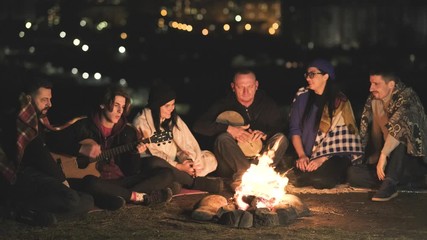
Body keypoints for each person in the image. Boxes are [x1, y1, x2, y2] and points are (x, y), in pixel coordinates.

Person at [46, 85, 174, 208]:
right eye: (116, 105)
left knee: (166, 173)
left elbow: (132, 172)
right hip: (93, 181)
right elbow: (52, 140)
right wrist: (80, 149)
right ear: (103, 104)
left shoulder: (128, 132)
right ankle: (138, 197)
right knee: (90, 182)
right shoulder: (84, 126)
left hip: (118, 182)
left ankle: (116, 196)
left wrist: (134, 153)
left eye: (123, 107)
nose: (120, 111)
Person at [0, 78, 94, 227]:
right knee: (72, 198)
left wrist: (79, 149)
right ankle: (15, 208)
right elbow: (37, 149)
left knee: (88, 200)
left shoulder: (38, 119)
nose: (49, 104)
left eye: (50, 99)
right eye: (44, 99)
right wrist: (62, 180)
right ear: (29, 99)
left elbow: (53, 141)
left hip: (37, 176)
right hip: (20, 176)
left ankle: (37, 215)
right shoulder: (20, 119)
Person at [192, 69, 289, 191]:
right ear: (233, 87)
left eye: (250, 86)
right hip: (230, 165)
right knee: (223, 138)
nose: (246, 91)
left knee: (281, 138)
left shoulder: (266, 103)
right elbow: (198, 126)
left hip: (259, 162)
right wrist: (228, 129)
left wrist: (265, 134)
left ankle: (258, 176)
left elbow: (281, 127)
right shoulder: (224, 103)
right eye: (240, 87)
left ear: (256, 85)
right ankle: (244, 178)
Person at [347, 67, 427, 201]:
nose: (371, 88)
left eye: (376, 84)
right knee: (353, 174)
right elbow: (376, 132)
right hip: (390, 160)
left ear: (391, 85)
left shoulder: (408, 98)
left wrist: (384, 155)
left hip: (412, 158)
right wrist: (378, 154)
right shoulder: (375, 101)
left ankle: (391, 182)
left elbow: (400, 128)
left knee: (401, 141)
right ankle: (397, 181)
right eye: (371, 83)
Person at [133, 83, 223, 194]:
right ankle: (192, 182)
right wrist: (179, 167)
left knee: (210, 158)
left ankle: (180, 180)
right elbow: (154, 154)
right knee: (158, 165)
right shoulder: (141, 122)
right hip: (158, 165)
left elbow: (185, 143)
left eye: (173, 104)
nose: (171, 109)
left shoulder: (172, 118)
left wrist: (188, 161)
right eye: (167, 106)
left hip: (176, 162)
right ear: (157, 106)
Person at [288, 59, 364, 189]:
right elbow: (295, 129)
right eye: (307, 74)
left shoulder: (340, 102)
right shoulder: (302, 97)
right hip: (306, 155)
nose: (308, 78)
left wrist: (321, 158)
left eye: (312, 74)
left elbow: (345, 138)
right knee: (296, 179)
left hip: (333, 156)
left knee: (322, 180)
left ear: (326, 76)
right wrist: (302, 155)